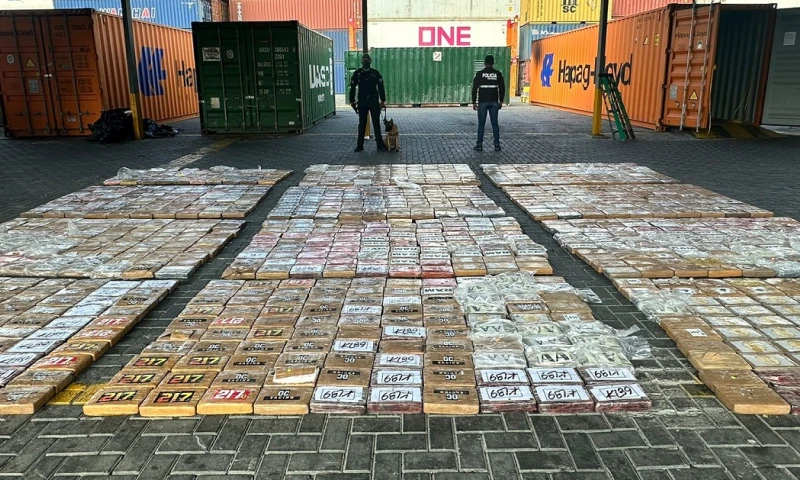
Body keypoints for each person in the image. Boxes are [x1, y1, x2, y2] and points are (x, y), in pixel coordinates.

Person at [349, 53, 387, 152]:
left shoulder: (375, 73)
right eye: (364, 59)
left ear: (370, 61)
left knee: (376, 123)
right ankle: (359, 145)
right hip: (362, 101)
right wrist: (352, 101)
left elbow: (381, 87)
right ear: (362, 61)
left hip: (373, 101)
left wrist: (382, 100)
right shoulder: (357, 73)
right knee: (362, 124)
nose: (365, 61)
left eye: (367, 59)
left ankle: (380, 145)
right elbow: (352, 87)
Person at [472, 54, 506, 152]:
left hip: (482, 102)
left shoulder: (479, 74)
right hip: (494, 102)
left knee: (481, 124)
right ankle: (497, 145)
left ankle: (479, 145)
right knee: (495, 124)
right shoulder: (498, 74)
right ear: (493, 63)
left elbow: (474, 89)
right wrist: (501, 101)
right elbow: (502, 89)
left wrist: (474, 102)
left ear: (485, 63)